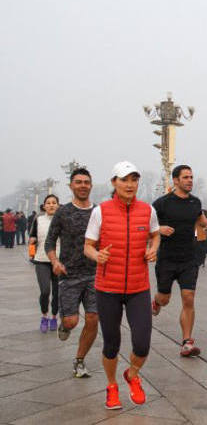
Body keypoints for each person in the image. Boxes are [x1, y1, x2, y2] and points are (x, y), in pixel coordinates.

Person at [83, 161, 160, 410]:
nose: (130, 185)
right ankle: (112, 386)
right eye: (124, 179)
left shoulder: (147, 210)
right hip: (108, 288)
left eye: (134, 180)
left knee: (142, 342)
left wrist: (153, 249)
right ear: (114, 182)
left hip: (139, 286)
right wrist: (97, 256)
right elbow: (88, 246)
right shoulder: (101, 211)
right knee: (111, 343)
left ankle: (132, 374)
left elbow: (155, 234)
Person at [44, 168, 99, 379]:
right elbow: (50, 241)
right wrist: (55, 261)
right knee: (72, 322)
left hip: (94, 274)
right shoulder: (63, 212)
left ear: (91, 185)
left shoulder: (98, 212)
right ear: (71, 186)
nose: (83, 185)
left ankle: (79, 360)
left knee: (93, 317)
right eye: (78, 182)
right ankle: (64, 324)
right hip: (69, 274)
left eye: (86, 182)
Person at [150, 165, 207, 357]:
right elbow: (146, 226)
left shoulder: (195, 203)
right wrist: (160, 229)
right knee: (164, 298)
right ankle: (156, 302)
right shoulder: (161, 204)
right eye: (185, 177)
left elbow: (202, 222)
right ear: (175, 180)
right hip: (166, 259)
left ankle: (187, 342)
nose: (190, 180)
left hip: (189, 259)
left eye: (191, 177)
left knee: (188, 297)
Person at [29, 195, 61, 333]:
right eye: (48, 203)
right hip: (41, 260)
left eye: (54, 203)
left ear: (58, 205)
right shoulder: (38, 220)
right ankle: (44, 316)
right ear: (44, 206)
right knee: (45, 291)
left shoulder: (63, 220)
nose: (51, 205)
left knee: (57, 292)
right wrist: (32, 240)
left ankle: (54, 317)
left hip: (59, 261)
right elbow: (33, 236)